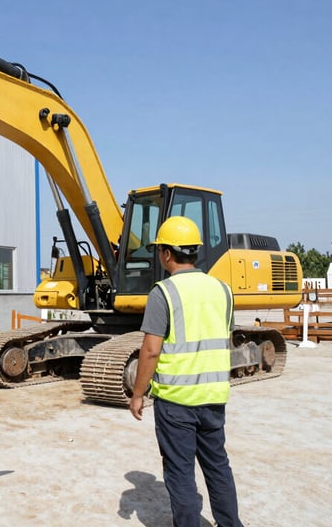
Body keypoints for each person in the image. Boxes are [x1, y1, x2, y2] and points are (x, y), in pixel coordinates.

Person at [128, 216, 243, 527]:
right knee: (218, 467)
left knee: (180, 473)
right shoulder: (223, 290)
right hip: (213, 398)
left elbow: (150, 350)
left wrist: (138, 394)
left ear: (166, 253)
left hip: (176, 402)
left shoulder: (163, 292)